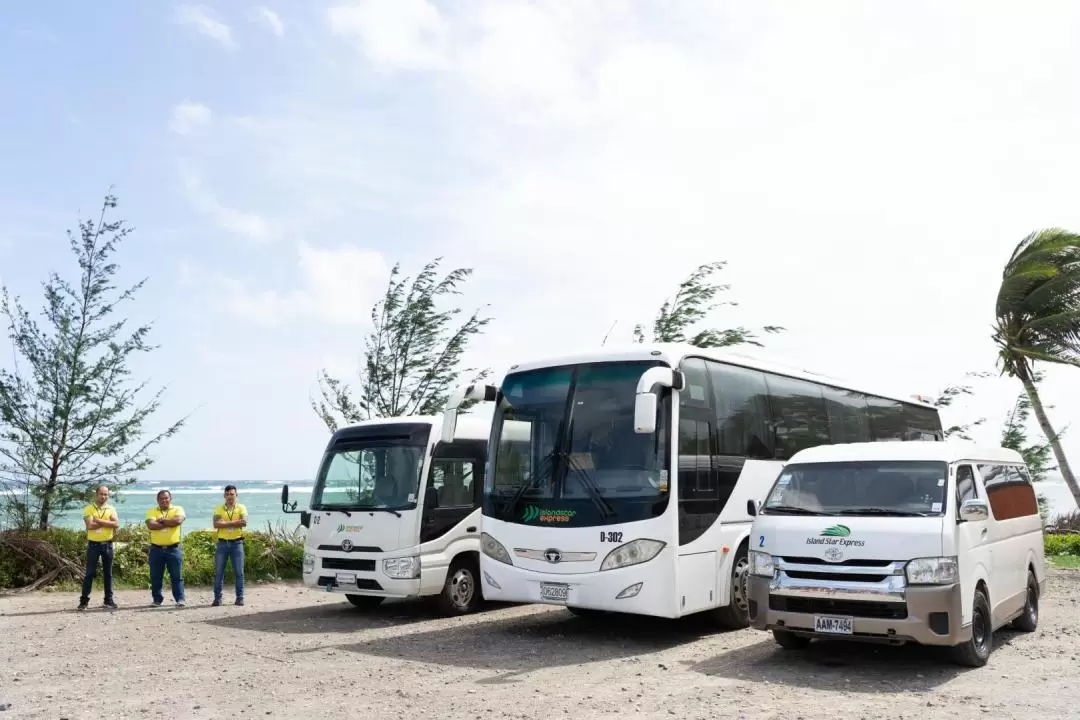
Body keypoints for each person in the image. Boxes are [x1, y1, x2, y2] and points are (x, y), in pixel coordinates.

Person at [79, 485, 119, 611]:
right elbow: (90, 526)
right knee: (90, 573)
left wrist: (100, 521)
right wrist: (108, 523)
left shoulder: (111, 508)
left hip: (107, 544)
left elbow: (116, 524)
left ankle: (108, 600)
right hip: (93, 545)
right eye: (101, 494)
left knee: (108, 574)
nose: (103, 496)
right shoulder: (88, 509)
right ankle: (84, 601)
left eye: (106, 494)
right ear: (96, 495)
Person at [145, 489, 186, 607]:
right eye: (161, 499)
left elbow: (178, 520)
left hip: (173, 549)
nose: (164, 500)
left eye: (166, 498)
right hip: (156, 549)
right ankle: (157, 600)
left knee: (176, 576)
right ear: (157, 500)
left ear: (170, 499)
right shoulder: (152, 511)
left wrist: (162, 520)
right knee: (156, 576)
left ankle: (180, 599)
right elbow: (151, 525)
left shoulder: (178, 509)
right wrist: (169, 522)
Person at [212, 484, 248, 606]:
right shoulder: (219, 508)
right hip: (222, 543)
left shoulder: (241, 508)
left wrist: (225, 523)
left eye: (232, 494)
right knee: (219, 572)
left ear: (236, 495)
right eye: (227, 494)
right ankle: (217, 599)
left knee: (239, 572)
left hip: (237, 543)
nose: (229, 497)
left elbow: (243, 522)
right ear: (224, 496)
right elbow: (216, 524)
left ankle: (240, 598)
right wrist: (234, 523)